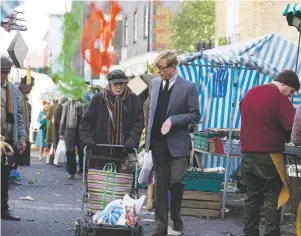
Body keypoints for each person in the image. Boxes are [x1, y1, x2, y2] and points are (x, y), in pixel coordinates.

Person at [145, 51, 200, 236]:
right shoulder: (153, 84)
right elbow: (151, 112)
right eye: (157, 68)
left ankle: (176, 218)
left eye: (162, 68)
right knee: (160, 184)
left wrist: (173, 120)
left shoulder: (188, 87)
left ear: (173, 67)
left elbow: (195, 115)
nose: (159, 71)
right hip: (158, 143)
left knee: (177, 182)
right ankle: (160, 225)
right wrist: (146, 142)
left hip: (178, 144)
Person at [240, 69, 300, 236]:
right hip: (270, 155)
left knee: (252, 195)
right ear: (285, 84)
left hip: (247, 154)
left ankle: (250, 232)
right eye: (291, 92)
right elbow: (293, 127)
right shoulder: (278, 99)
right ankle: (271, 232)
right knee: (274, 196)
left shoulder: (251, 93)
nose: (290, 96)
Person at [80, 69, 144, 171]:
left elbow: (139, 123)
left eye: (121, 84)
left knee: (122, 184)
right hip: (100, 151)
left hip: (124, 151)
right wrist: (87, 139)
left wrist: (132, 140)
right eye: (115, 84)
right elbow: (86, 122)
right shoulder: (98, 99)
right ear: (109, 84)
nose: (119, 87)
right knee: (99, 184)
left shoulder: (133, 99)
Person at [1, 56, 26, 221]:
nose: (4, 76)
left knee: (4, 177)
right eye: (2, 72)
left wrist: (22, 137)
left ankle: (3, 209)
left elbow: (18, 115)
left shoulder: (12, 89)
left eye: (6, 73)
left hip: (8, 141)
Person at [9, 76, 34, 184]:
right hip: (17, 133)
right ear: (26, 85)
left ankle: (12, 175)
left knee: (17, 156)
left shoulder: (24, 99)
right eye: (31, 86)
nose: (31, 89)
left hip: (22, 132)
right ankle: (11, 176)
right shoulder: (17, 96)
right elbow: (17, 117)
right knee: (14, 156)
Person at [59, 97, 87, 179]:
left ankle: (82, 171)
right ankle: (71, 172)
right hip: (69, 131)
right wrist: (61, 132)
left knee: (82, 151)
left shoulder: (85, 103)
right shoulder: (67, 105)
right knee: (70, 151)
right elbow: (63, 119)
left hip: (82, 131)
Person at [45, 99, 58, 163]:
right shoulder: (60, 106)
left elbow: (48, 117)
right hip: (57, 127)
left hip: (51, 126)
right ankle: (55, 159)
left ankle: (49, 160)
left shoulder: (51, 107)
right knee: (56, 143)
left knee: (49, 143)